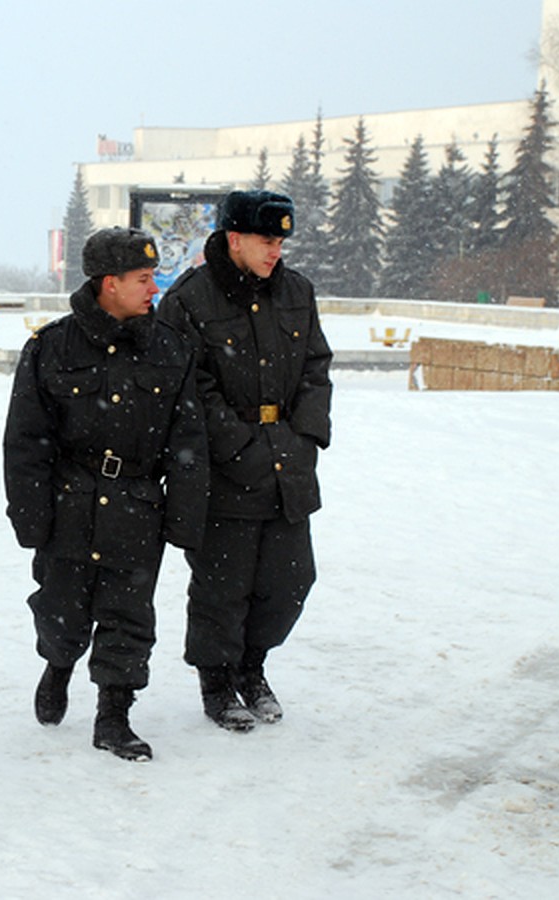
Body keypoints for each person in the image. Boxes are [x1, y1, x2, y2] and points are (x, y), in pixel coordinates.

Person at [3, 227, 209, 762]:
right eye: (143, 280)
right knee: (60, 611)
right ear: (107, 283)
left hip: (138, 505)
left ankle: (114, 714)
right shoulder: (50, 347)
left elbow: (188, 440)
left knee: (128, 615)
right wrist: (31, 517)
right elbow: (25, 440)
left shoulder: (171, 349)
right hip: (69, 502)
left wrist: (185, 519)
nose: (154, 290)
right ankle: (59, 662)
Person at [156, 190, 332, 732]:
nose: (276, 251)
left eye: (281, 241)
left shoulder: (297, 292)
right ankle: (217, 680)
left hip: (288, 462)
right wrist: (239, 446)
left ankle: (253, 668)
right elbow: (188, 389)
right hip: (222, 469)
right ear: (234, 239)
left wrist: (303, 436)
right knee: (222, 585)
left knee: (290, 579)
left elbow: (316, 367)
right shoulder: (190, 299)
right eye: (265, 241)